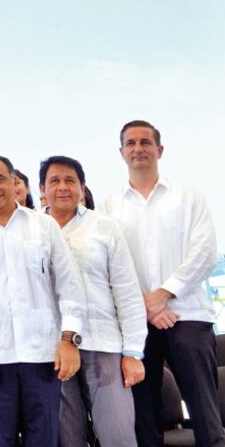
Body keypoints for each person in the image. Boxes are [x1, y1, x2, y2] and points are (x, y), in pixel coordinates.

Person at [0, 154, 86, 447]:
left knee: (45, 440)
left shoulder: (44, 226)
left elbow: (70, 287)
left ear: (14, 181)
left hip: (43, 355)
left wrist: (68, 340)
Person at [102, 120, 224, 447]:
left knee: (204, 406)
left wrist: (163, 294)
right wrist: (147, 305)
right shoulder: (110, 206)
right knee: (143, 411)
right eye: (131, 143)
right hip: (136, 320)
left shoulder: (188, 197)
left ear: (160, 149)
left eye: (145, 142)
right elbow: (111, 265)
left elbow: (205, 252)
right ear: (121, 152)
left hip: (188, 313)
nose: (138, 148)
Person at [38, 155, 146, 447]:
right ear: (42, 189)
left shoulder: (105, 228)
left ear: (82, 188)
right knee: (68, 437)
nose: (62, 187)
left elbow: (126, 290)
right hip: (52, 350)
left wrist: (133, 351)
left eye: (70, 180)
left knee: (118, 435)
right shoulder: (32, 231)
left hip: (103, 343)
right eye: (54, 181)